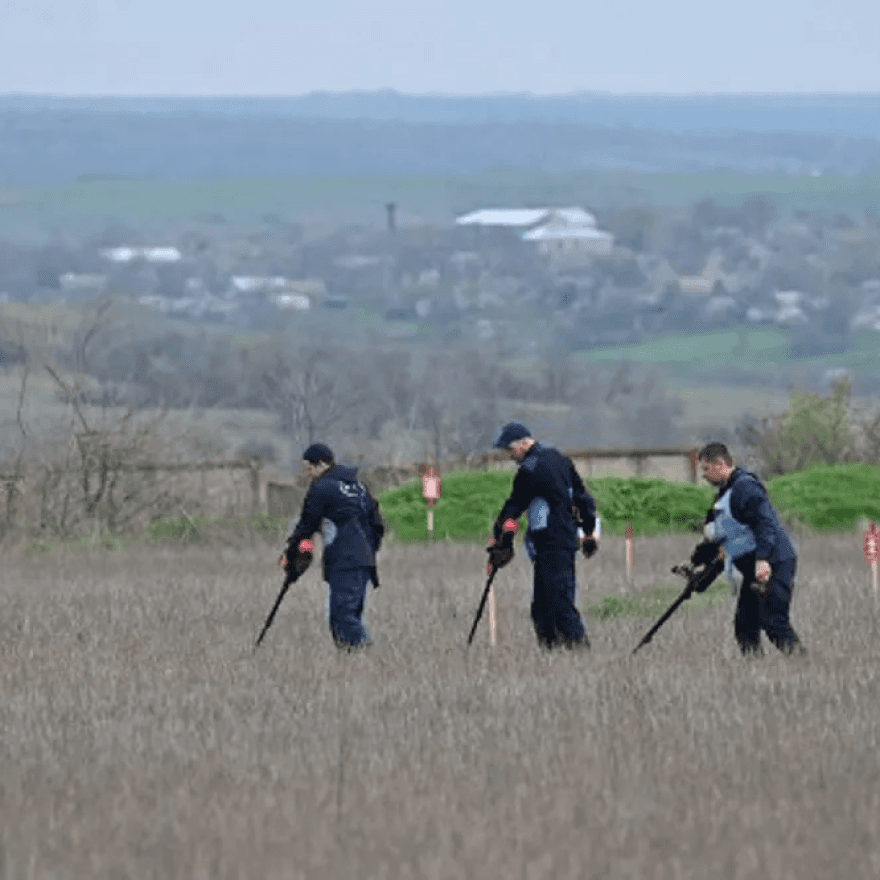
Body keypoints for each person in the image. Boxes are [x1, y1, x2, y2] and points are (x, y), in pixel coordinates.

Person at [488, 422, 599, 650]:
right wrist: (589, 532)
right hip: (565, 541)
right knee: (543, 607)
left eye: (510, 450)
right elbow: (583, 498)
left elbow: (513, 508)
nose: (509, 456)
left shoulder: (529, 469)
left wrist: (501, 537)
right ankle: (553, 659)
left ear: (523, 444)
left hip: (551, 544)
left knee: (558, 606)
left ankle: (580, 654)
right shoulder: (560, 459)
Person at [696, 441, 805, 656]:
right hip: (753, 568)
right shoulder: (723, 496)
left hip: (772, 562)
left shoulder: (745, 488)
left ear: (719, 464)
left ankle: (804, 664)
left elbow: (766, 524)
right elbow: (726, 541)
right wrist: (701, 576)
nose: (704, 476)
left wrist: (763, 559)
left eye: (706, 469)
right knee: (745, 626)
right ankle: (755, 673)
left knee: (773, 622)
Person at [283, 443, 385, 650]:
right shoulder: (359, 487)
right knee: (351, 613)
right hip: (364, 560)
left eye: (309, 468)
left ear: (321, 465)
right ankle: (354, 661)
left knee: (342, 616)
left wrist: (291, 554)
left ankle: (366, 655)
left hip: (343, 560)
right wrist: (369, 551)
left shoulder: (321, 488)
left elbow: (306, 525)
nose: (308, 474)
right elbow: (377, 525)